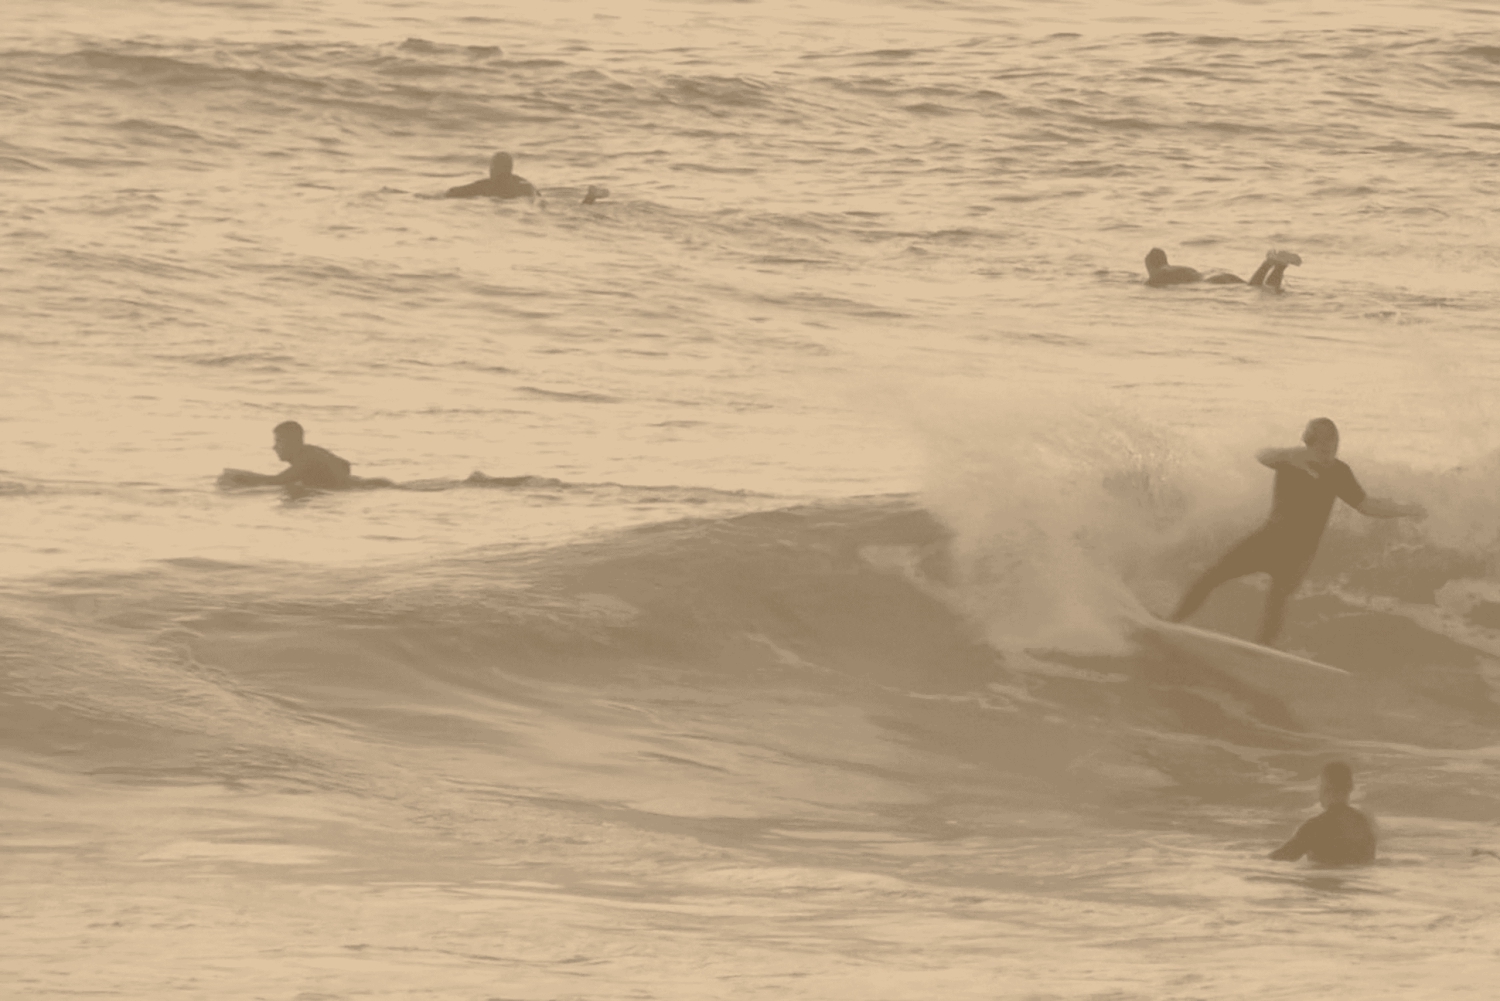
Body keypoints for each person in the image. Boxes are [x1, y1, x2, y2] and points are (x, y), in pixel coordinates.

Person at [1170, 418, 1425, 645]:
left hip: (1299, 554)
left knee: (1277, 602)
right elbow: (1261, 455)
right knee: (1213, 575)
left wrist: (1405, 510)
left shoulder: (1338, 471)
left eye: (1333, 447)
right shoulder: (1292, 460)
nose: (1328, 453)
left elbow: (1366, 505)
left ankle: (1260, 654)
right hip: (1268, 541)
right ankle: (1173, 623)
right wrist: (1288, 455)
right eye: (1323, 447)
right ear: (1308, 443)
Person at [1269, 761, 1376, 866]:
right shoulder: (1363, 823)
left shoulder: (1315, 827)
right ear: (1350, 788)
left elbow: (1283, 857)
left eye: (1320, 785)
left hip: (1324, 876)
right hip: (1356, 877)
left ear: (1326, 788)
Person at [220, 421, 358, 490]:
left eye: (278, 441)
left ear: (292, 442)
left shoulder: (307, 458)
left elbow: (277, 481)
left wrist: (239, 478)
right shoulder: (312, 452)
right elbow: (345, 465)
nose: (274, 447)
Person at [443, 151, 609, 205]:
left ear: (494, 168)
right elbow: (539, 198)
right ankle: (589, 198)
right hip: (532, 204)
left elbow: (457, 192)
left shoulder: (488, 185)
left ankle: (590, 198)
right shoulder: (524, 183)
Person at [1144, 248, 1301, 290]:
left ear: (1150, 264)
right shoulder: (1178, 268)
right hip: (1216, 275)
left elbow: (1150, 284)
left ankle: (1268, 264)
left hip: (1213, 282)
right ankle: (1279, 266)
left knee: (1254, 288)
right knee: (1257, 287)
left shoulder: (1158, 275)